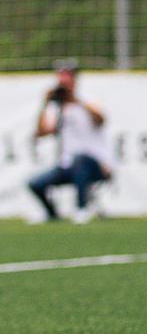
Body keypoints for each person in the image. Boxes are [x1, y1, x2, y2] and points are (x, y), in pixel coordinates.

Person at [27, 63, 113, 224]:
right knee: (34, 183)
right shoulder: (58, 107)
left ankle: (81, 209)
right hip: (68, 165)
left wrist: (75, 100)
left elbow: (101, 119)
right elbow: (41, 132)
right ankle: (52, 213)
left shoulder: (88, 100)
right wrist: (45, 104)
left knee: (81, 160)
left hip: (96, 164)